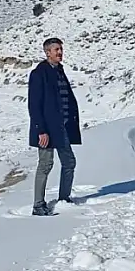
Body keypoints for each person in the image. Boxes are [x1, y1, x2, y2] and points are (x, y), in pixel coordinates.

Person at [27, 37, 81, 216]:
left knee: (69, 162)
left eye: (61, 49)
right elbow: (34, 105)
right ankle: (38, 206)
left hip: (61, 128)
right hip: (47, 130)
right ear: (47, 52)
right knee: (45, 164)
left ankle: (64, 199)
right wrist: (40, 130)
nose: (60, 52)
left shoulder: (59, 71)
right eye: (56, 50)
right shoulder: (39, 73)